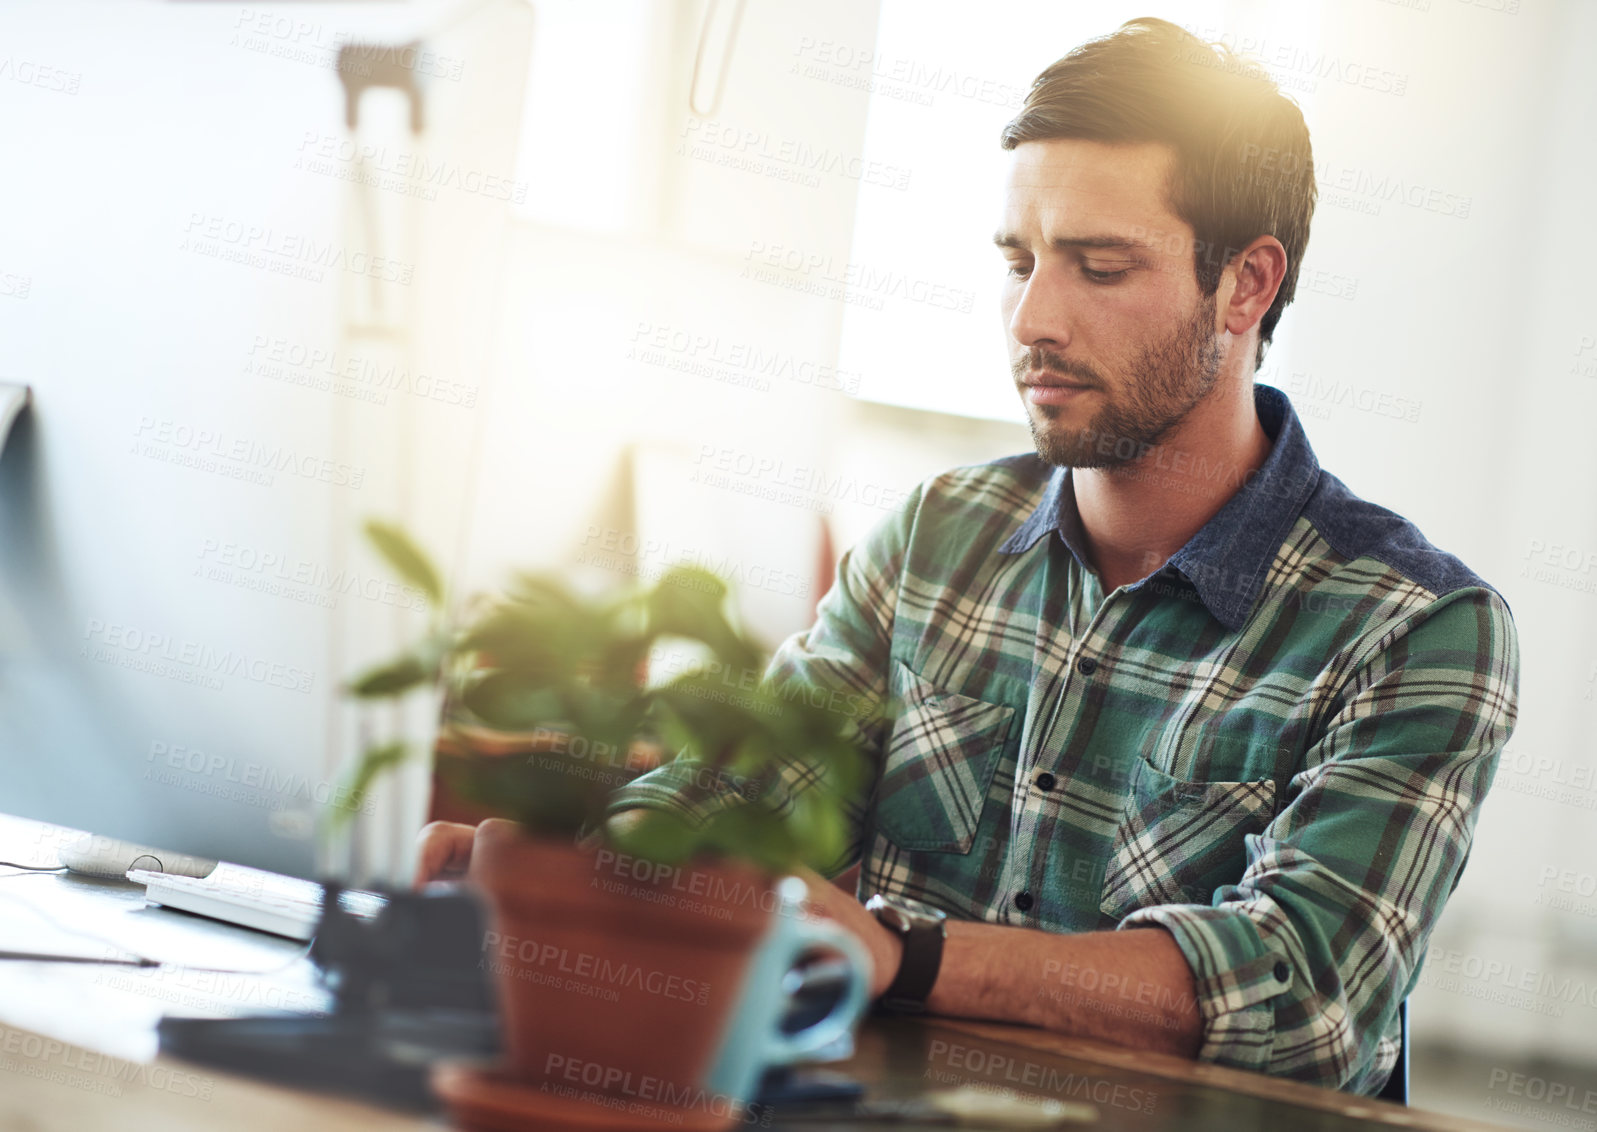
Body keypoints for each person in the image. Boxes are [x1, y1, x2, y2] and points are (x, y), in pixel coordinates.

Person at [416, 17, 1520, 1095]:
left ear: (1245, 284)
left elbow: (1302, 997)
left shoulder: (1415, 627)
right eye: (1017, 259)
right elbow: (737, 805)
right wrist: (546, 869)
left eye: (1097, 266)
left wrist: (909, 952)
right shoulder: (935, 538)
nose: (1032, 317)